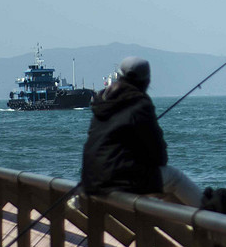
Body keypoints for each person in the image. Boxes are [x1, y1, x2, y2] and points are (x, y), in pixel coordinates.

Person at [79, 56, 203, 206]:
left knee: (163, 187)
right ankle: (212, 220)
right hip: (120, 181)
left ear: (119, 77)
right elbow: (160, 156)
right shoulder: (140, 103)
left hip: (92, 180)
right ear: (147, 81)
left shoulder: (101, 104)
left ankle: (184, 227)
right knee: (174, 178)